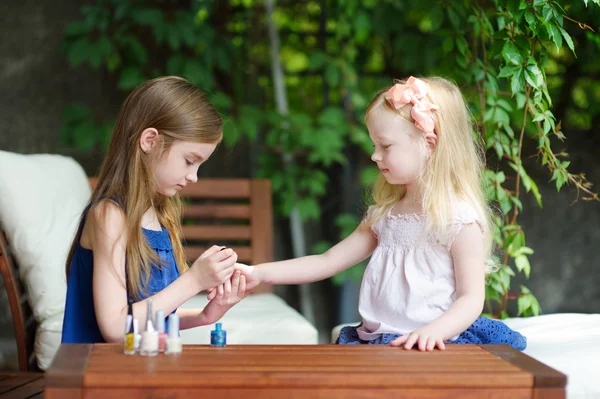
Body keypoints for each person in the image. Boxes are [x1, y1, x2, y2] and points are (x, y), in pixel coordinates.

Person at [227, 76, 526, 351]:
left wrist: (434, 332)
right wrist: (259, 272)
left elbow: (470, 298)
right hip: (381, 343)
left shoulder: (459, 220)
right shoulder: (385, 217)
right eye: (374, 144)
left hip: (435, 344)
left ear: (429, 144)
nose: (374, 155)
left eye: (385, 145)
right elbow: (327, 261)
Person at [62, 76, 249, 344]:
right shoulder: (109, 216)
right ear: (150, 141)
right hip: (100, 376)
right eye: (189, 161)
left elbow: (150, 315)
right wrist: (194, 280)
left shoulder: (160, 215)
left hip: (144, 369)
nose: (194, 176)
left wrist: (207, 315)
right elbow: (116, 327)